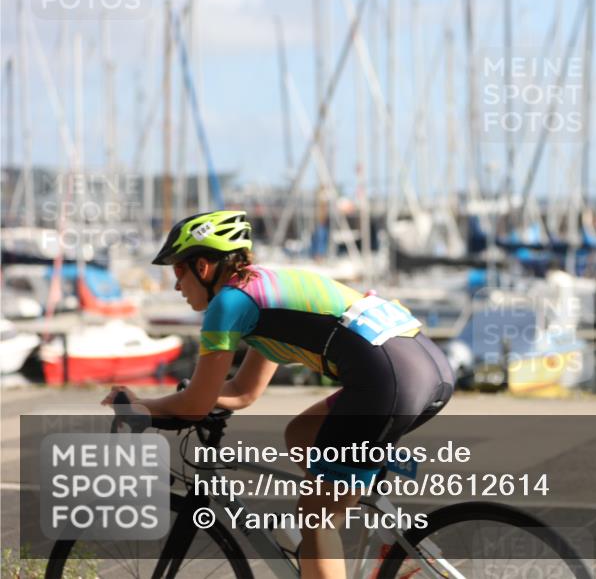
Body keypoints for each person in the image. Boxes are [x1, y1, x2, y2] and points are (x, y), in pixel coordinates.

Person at [102, 210, 454, 579]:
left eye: (178, 272)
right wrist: (192, 396)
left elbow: (196, 406)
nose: (176, 286)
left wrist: (143, 407)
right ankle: (399, 547)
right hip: (428, 370)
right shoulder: (264, 291)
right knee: (301, 435)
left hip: (388, 383)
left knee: (315, 517)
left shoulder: (230, 303)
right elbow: (243, 390)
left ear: (203, 267)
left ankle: (334, 543)